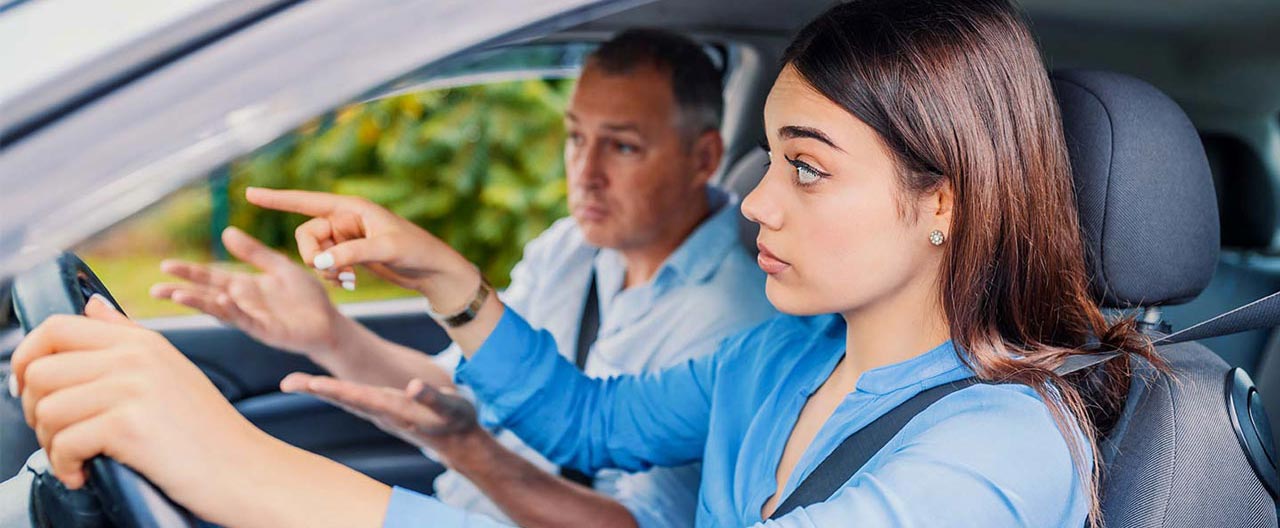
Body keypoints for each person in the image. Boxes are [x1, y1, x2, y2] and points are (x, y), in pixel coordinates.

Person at [10, 0, 1166, 526]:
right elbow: (586, 421)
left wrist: (244, 471)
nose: (755, 201)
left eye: (806, 169)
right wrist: (447, 279)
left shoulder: (998, 444)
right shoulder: (780, 359)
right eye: (769, 158)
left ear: (942, 204)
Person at [145, 28, 775, 528]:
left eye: (623, 146)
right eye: (575, 137)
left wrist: (469, 448)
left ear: (704, 158)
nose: (585, 174)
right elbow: (464, 392)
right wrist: (328, 333)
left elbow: (633, 519)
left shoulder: (737, 321)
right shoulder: (572, 248)